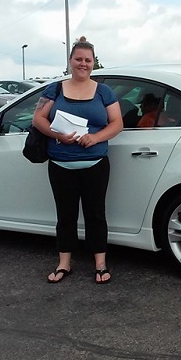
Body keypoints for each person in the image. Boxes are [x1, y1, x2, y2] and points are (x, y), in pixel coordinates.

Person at [32, 36, 123, 284]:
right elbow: (38, 119)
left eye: (88, 60)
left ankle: (100, 264)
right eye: (78, 59)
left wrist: (95, 138)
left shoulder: (103, 92)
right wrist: (56, 134)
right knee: (66, 215)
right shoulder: (55, 89)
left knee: (96, 214)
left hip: (95, 164)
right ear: (70, 61)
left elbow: (117, 123)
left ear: (94, 63)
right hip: (61, 164)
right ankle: (64, 264)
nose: (83, 64)